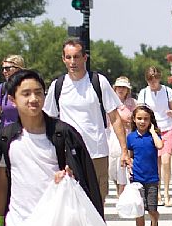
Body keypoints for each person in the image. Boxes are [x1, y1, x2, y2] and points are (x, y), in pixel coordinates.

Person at [0, 69, 104, 226]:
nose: (33, 98)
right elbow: (1, 184)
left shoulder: (62, 134)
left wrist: (71, 175)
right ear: (13, 100)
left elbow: (83, 177)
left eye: (38, 92)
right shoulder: (5, 138)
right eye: (26, 94)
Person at [43, 38, 127, 204]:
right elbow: (48, 120)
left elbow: (115, 118)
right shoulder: (57, 86)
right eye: (68, 57)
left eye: (76, 57)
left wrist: (124, 150)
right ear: (63, 59)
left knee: (97, 203)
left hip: (97, 152)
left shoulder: (98, 82)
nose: (72, 61)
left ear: (84, 58)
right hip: (69, 154)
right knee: (72, 202)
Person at [137, 66, 172, 207]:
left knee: (166, 161)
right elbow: (140, 111)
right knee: (155, 164)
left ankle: (167, 193)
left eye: (155, 79)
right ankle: (157, 192)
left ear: (159, 78)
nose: (153, 83)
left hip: (166, 128)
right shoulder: (143, 93)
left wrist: (171, 113)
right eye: (150, 80)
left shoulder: (167, 91)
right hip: (152, 130)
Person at [127, 104, 163, 226]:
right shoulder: (131, 137)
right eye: (139, 118)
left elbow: (160, 146)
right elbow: (130, 156)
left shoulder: (154, 136)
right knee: (139, 211)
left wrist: (153, 131)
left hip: (152, 179)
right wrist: (129, 166)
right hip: (137, 180)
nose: (142, 121)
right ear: (134, 120)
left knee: (152, 210)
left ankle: (154, 224)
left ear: (150, 121)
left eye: (146, 119)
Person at [109, 76, 137, 196]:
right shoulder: (109, 102)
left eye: (124, 87)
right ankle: (118, 187)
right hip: (111, 136)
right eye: (119, 87)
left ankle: (122, 192)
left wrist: (129, 121)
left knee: (123, 166)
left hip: (127, 135)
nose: (121, 89)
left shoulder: (133, 103)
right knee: (112, 167)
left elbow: (138, 118)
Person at [0, 54, 25, 127]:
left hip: (26, 134)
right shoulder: (2, 88)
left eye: (7, 68)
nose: (4, 72)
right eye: (3, 69)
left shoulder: (28, 87)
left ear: (18, 69)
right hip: (7, 134)